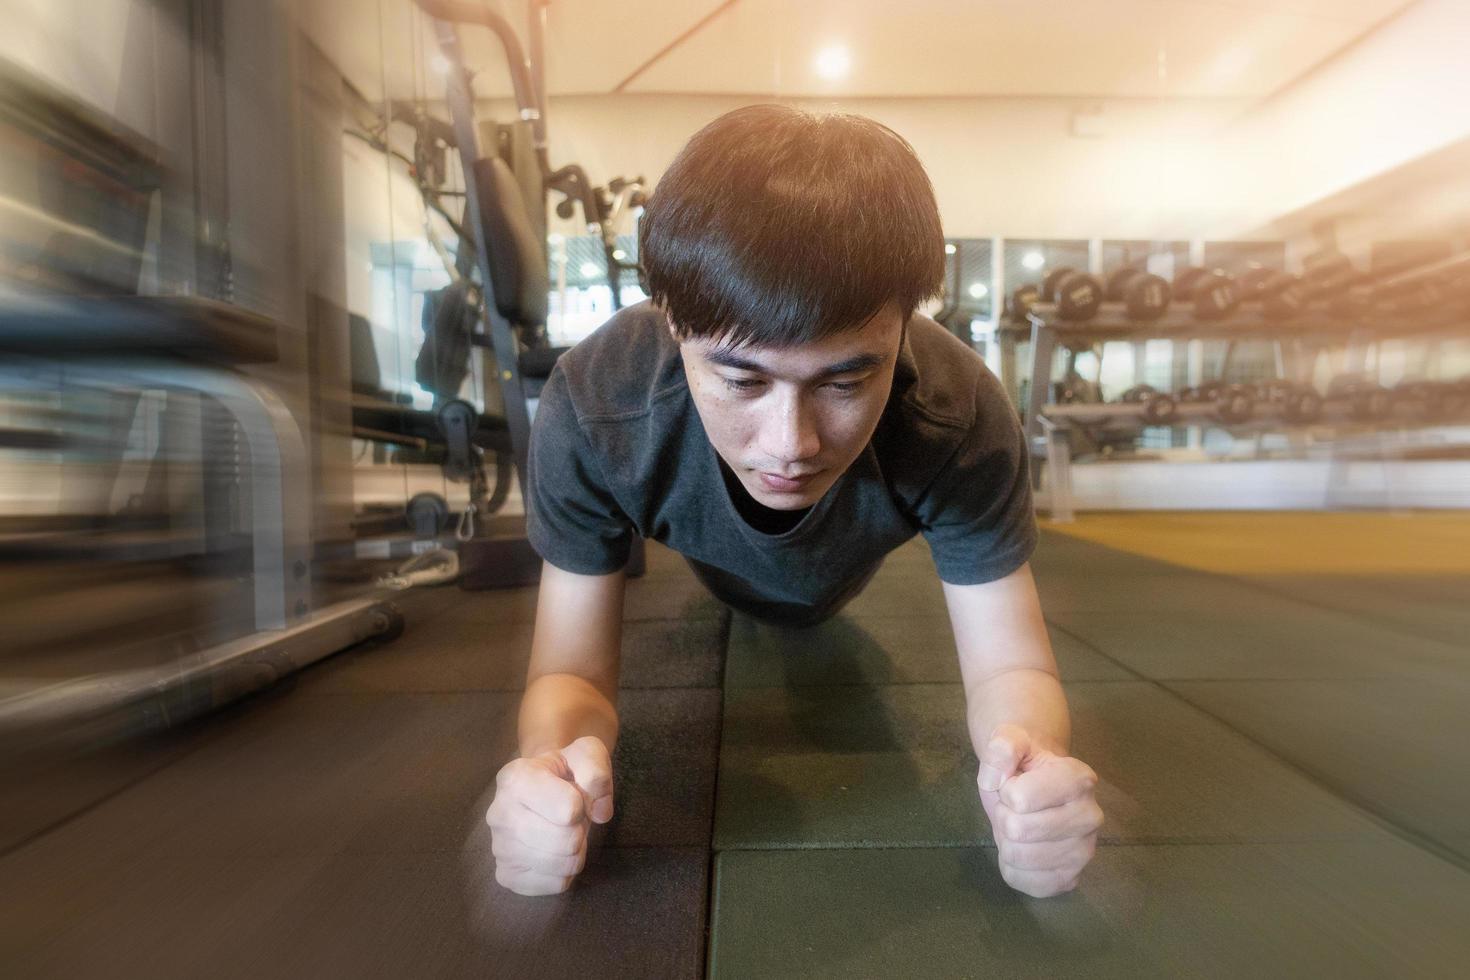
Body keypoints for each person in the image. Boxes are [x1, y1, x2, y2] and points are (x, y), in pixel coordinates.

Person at [484, 105, 1103, 899]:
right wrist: (549, 770)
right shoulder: (595, 408)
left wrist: (1036, 767)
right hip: (711, 570)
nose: (792, 443)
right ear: (671, 324)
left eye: (845, 381)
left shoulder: (961, 417)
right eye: (742, 380)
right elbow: (568, 673)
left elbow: (1011, 665)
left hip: (843, 578)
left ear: (907, 326)